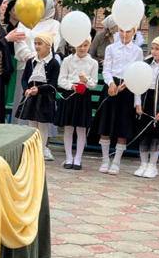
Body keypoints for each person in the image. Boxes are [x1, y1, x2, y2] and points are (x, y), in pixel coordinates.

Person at [94, 26, 143, 174]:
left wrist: (128, 86)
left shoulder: (137, 51)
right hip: (112, 86)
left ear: (134, 32)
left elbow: (138, 72)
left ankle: (116, 161)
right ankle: (105, 160)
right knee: (106, 124)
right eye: (122, 30)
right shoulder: (111, 48)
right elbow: (106, 69)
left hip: (127, 87)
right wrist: (110, 83)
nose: (124, 34)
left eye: (128, 31)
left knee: (123, 126)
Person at [132, 35, 159, 178]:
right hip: (145, 100)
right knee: (144, 134)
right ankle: (143, 163)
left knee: (155, 135)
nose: (153, 51)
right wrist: (138, 103)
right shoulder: (145, 64)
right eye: (152, 48)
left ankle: (152, 165)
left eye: (157, 49)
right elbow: (137, 84)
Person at [13, 0, 62, 121]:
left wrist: (38, 58)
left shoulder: (55, 25)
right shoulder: (24, 22)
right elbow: (19, 42)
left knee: (42, 111)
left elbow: (53, 43)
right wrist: (31, 59)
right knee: (25, 100)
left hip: (45, 69)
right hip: (26, 66)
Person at [57, 37, 97, 170]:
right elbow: (61, 80)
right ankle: (69, 157)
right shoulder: (67, 60)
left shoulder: (93, 63)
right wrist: (71, 86)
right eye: (80, 45)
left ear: (89, 46)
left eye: (85, 45)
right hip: (70, 95)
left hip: (84, 96)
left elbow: (94, 83)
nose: (82, 48)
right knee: (68, 127)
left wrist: (86, 80)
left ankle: (78, 158)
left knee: (81, 128)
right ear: (75, 45)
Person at [19, 32, 60, 161]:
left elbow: (53, 84)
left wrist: (39, 89)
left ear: (48, 45)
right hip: (32, 96)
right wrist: (26, 89)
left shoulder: (54, 63)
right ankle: (31, 151)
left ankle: (41, 151)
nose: (37, 46)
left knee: (42, 126)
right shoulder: (31, 61)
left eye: (40, 44)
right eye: (35, 43)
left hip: (45, 97)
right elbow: (24, 79)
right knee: (32, 125)